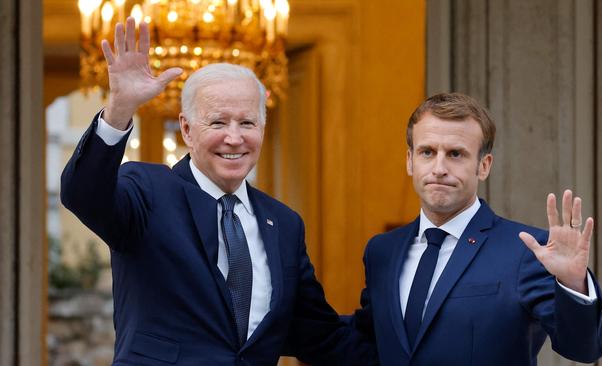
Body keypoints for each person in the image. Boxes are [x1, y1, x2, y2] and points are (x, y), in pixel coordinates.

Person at [61, 17, 371, 365]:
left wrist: (410, 330)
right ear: (187, 130)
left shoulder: (284, 224)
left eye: (247, 123)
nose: (234, 138)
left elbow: (321, 336)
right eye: (218, 122)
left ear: (263, 130)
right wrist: (120, 109)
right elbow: (83, 195)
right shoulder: (148, 192)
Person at [350, 93, 602, 365]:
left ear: (484, 166)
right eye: (427, 152)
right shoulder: (382, 252)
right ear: (410, 160)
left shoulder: (527, 250)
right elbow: (367, 344)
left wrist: (572, 284)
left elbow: (585, 348)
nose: (439, 168)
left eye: (455, 154)